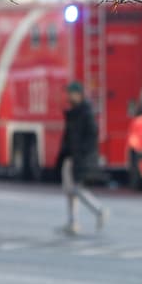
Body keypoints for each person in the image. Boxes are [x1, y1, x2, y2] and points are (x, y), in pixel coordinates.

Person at [56, 81, 107, 234]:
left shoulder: (84, 112)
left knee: (75, 189)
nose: (68, 96)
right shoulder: (74, 111)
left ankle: (98, 210)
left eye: (71, 93)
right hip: (71, 156)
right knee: (70, 190)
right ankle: (73, 221)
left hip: (78, 157)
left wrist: (82, 153)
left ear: (78, 94)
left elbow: (92, 134)